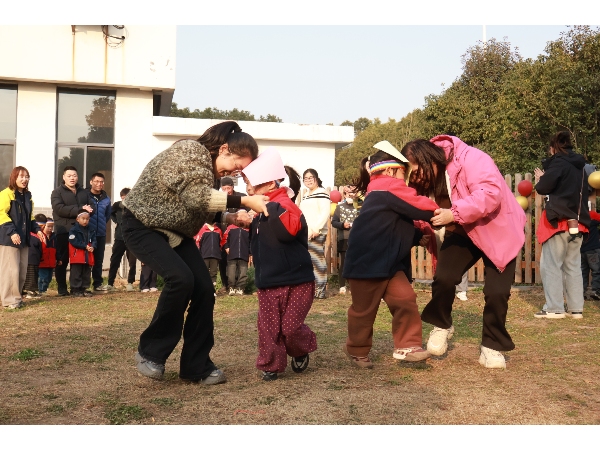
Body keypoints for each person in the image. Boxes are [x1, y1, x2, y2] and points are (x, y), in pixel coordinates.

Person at [121, 121, 268, 384]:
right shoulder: (191, 151)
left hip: (175, 232)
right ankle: (150, 352)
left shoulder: (209, 170)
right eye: (236, 166)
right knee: (180, 279)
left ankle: (195, 366)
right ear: (224, 149)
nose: (235, 173)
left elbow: (197, 206)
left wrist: (229, 217)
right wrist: (245, 200)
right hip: (142, 225)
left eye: (239, 172)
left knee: (204, 290)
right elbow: (196, 198)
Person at [401, 136, 526, 369]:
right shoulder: (423, 179)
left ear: (429, 160)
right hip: (461, 231)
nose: (415, 178)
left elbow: (490, 194)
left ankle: (491, 345)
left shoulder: (472, 159)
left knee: (497, 292)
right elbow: (415, 203)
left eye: (416, 172)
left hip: (498, 229)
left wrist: (453, 213)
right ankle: (442, 325)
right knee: (444, 278)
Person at [342, 141, 437, 369]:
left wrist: (416, 236)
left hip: (387, 263)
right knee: (363, 311)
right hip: (367, 264)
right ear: (392, 171)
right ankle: (357, 349)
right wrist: (444, 211)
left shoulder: (380, 192)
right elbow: (418, 206)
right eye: (404, 173)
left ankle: (408, 346)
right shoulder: (388, 187)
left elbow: (393, 224)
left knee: (405, 299)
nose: (407, 180)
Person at [242, 149, 316, 381]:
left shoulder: (284, 204)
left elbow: (287, 232)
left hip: (297, 280)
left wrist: (269, 208)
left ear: (270, 183)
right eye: (246, 182)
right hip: (268, 281)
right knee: (269, 327)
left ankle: (300, 348)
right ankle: (271, 365)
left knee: (290, 328)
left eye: (251, 182)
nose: (247, 187)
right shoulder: (259, 210)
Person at [534, 131, 590, 319]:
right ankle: (576, 309)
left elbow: (542, 188)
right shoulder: (581, 167)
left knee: (551, 265)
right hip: (578, 222)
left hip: (559, 221)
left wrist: (542, 178)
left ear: (553, 148)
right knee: (573, 266)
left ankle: (554, 308)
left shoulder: (558, 163)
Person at [0, 167, 44, 309]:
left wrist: (37, 230)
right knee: (10, 271)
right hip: (9, 239)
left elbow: (30, 218)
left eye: (27, 176)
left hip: (24, 239)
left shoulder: (27, 196)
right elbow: (1, 214)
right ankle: (9, 301)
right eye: (21, 176)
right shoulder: (6, 194)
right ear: (14, 177)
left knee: (21, 271)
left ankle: (16, 298)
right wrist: (12, 232)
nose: (24, 179)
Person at [51, 166, 93, 296]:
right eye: (69, 176)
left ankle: (80, 287)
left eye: (74, 175)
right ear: (63, 177)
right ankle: (62, 288)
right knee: (62, 260)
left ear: (77, 177)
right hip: (64, 230)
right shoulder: (57, 192)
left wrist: (87, 210)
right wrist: (81, 209)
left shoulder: (84, 192)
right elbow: (59, 209)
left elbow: (92, 207)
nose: (72, 178)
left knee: (81, 261)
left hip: (82, 232)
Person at [299, 168, 330, 299]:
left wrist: (317, 229)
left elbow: (325, 212)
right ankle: (312, 289)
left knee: (317, 261)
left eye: (310, 177)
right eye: (305, 178)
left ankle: (320, 290)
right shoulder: (306, 194)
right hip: (306, 233)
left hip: (316, 233)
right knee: (309, 262)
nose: (308, 180)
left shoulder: (321, 192)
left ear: (316, 178)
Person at [217, 176, 248, 294]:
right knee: (223, 260)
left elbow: (248, 211)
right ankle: (226, 285)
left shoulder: (241, 197)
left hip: (237, 235)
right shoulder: (219, 200)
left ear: (233, 187)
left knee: (240, 262)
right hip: (223, 235)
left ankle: (240, 286)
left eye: (228, 188)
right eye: (224, 188)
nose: (226, 191)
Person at [103, 188, 137, 292]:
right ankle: (110, 283)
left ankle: (130, 283)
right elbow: (111, 212)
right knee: (115, 260)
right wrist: (117, 221)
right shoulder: (117, 206)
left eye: (126, 197)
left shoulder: (135, 206)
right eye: (123, 197)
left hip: (131, 238)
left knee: (132, 262)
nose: (124, 199)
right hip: (119, 237)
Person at [331, 185, 360, 295]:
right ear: (344, 194)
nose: (351, 195)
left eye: (353, 192)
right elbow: (334, 222)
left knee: (356, 263)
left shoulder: (359, 207)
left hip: (357, 239)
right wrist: (342, 225)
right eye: (348, 193)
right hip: (344, 238)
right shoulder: (340, 207)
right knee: (343, 263)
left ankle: (354, 286)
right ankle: (342, 286)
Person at [86, 173, 111, 292]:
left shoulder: (106, 198)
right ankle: (84, 284)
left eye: (101, 182)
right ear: (91, 182)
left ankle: (97, 284)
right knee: (86, 259)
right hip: (87, 233)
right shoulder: (85, 196)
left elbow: (107, 215)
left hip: (100, 233)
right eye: (96, 181)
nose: (99, 184)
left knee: (98, 260)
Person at [68, 209, 96, 297]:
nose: (85, 221)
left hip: (87, 255)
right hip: (77, 255)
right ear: (77, 219)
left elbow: (94, 239)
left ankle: (84, 288)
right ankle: (75, 289)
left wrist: (93, 246)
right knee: (76, 273)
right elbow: (73, 241)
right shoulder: (73, 230)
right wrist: (84, 246)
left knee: (86, 272)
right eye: (83, 219)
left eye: (87, 219)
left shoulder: (91, 229)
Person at [223, 219, 250, 296]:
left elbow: (251, 241)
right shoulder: (230, 228)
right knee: (231, 272)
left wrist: (250, 252)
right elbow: (225, 238)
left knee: (243, 273)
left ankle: (240, 288)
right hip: (232, 254)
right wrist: (226, 247)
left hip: (244, 254)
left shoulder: (248, 229)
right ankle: (231, 287)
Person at [194, 222, 223, 287]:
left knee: (213, 272)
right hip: (204, 255)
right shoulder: (202, 230)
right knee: (204, 272)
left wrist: (219, 251)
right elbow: (198, 242)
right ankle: (204, 287)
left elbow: (221, 242)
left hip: (215, 255)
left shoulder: (218, 230)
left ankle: (213, 287)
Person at [22, 215, 44, 299]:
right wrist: (41, 258)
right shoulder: (36, 237)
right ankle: (31, 292)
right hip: (33, 259)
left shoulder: (24, 235)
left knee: (24, 276)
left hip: (25, 259)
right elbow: (40, 249)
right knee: (32, 277)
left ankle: (23, 291)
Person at [581, 209, 600, 301]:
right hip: (593, 250)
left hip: (582, 250)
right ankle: (595, 291)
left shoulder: (578, 219)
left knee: (583, 272)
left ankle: (581, 292)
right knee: (596, 271)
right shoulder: (592, 215)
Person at [38, 217, 56, 295]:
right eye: (48, 226)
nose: (50, 228)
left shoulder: (54, 237)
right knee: (43, 278)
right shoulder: (40, 236)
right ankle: (41, 290)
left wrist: (58, 259)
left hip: (51, 262)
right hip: (42, 262)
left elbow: (56, 249)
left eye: (52, 226)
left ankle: (44, 290)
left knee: (49, 278)